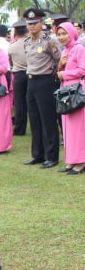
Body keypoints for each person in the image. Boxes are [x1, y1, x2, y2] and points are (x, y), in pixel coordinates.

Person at [22, 8, 61, 168]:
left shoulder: (48, 41)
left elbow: (60, 59)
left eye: (35, 23)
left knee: (48, 120)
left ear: (41, 23)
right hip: (31, 81)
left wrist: (54, 75)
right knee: (34, 119)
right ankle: (37, 154)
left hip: (45, 81)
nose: (32, 26)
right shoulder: (26, 42)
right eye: (29, 23)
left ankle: (51, 156)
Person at [55, 22, 85, 174]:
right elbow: (60, 72)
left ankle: (80, 161)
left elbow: (82, 69)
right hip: (65, 91)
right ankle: (71, 160)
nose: (61, 37)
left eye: (64, 33)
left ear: (72, 33)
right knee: (67, 127)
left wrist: (65, 74)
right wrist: (60, 66)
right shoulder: (65, 51)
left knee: (77, 127)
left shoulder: (79, 48)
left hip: (76, 92)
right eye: (59, 34)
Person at [8, 20, 29, 136]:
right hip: (31, 73)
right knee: (32, 101)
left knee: (20, 103)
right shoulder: (30, 43)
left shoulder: (12, 46)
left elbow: (10, 60)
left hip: (18, 75)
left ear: (15, 31)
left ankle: (20, 128)